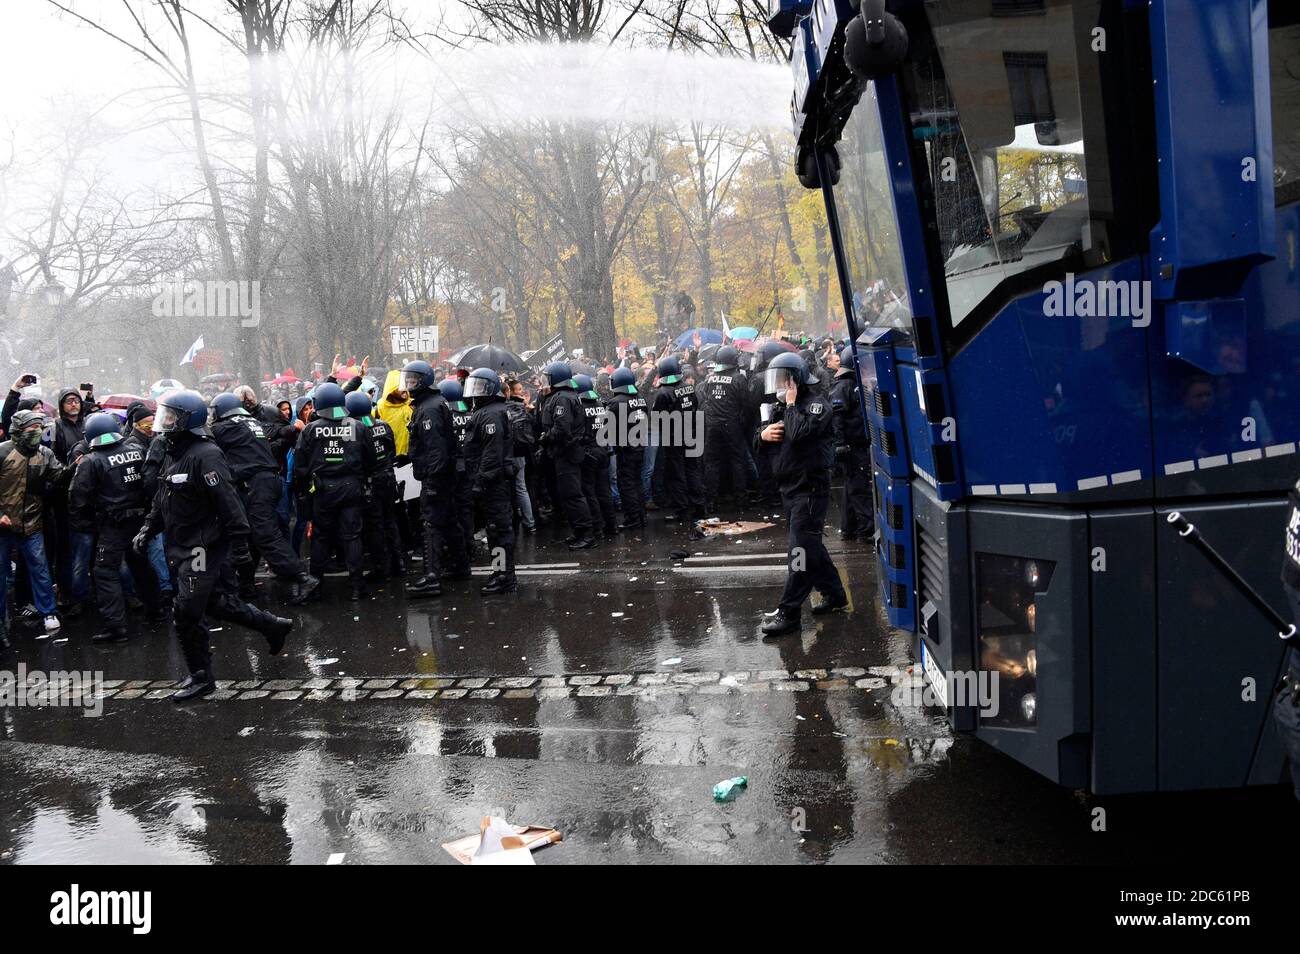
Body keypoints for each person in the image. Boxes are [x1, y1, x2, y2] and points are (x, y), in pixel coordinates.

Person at [134, 390, 292, 701]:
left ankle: (201, 677)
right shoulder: (172, 451)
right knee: (215, 602)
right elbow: (162, 497)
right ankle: (272, 626)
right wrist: (148, 528)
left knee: (186, 611)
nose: (164, 421)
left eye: (170, 415)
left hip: (202, 546)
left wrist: (241, 547)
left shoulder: (206, 454)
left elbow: (229, 502)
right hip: (182, 542)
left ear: (187, 419)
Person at [757, 352, 849, 636]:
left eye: (784, 379)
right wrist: (762, 434)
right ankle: (835, 595)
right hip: (790, 488)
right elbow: (763, 439)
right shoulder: (782, 405)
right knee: (810, 547)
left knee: (799, 551)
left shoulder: (816, 406)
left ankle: (790, 611)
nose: (779, 386)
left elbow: (798, 435)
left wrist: (793, 404)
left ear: (796, 379)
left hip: (810, 489)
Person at [209, 393, 319, 602]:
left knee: (265, 535)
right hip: (269, 480)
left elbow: (205, 438)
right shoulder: (250, 421)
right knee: (250, 534)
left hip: (257, 483)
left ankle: (303, 578)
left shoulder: (225, 427)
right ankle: (246, 585)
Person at [68, 412, 165, 643]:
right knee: (141, 564)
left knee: (104, 571)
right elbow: (150, 481)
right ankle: (156, 609)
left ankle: (115, 627)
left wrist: (88, 524)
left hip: (113, 524)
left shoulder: (91, 460)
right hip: (140, 519)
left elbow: (77, 498)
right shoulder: (137, 450)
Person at [291, 382, 375, 602]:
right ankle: (357, 586)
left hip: (323, 490)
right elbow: (370, 459)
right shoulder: (358, 426)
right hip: (351, 487)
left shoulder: (310, 429)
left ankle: (315, 586)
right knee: (352, 536)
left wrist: (304, 491)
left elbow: (300, 465)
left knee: (321, 537)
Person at [0, 409, 66, 648]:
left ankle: (48, 611)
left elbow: (58, 476)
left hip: (32, 523)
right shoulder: (3, 452)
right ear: (17, 431)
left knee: (40, 569)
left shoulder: (45, 453)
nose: (36, 433)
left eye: (39, 428)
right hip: (3, 527)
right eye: (31, 429)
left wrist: (75, 468)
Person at [403, 359, 463, 597]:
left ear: (424, 381)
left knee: (430, 523)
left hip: (436, 476)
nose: (409, 384)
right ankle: (460, 565)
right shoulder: (431, 404)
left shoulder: (428, 408)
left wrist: (433, 480)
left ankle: (431, 576)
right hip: (441, 475)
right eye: (407, 379)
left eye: (413, 380)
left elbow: (436, 448)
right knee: (448, 520)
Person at [463, 368, 517, 595]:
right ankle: (501, 573)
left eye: (480, 386)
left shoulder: (490, 414)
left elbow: (492, 454)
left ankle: (504, 576)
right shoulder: (489, 411)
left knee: (498, 530)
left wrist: (480, 481)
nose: (475, 391)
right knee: (495, 530)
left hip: (493, 483)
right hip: (493, 481)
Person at [344, 389, 405, 580]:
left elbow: (352, 460)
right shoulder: (384, 425)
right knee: (390, 522)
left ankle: (382, 569)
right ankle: (399, 564)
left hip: (370, 482)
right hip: (388, 478)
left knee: (375, 526)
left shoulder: (353, 430)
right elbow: (391, 451)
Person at [539, 362, 595, 550]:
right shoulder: (565, 396)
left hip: (566, 452)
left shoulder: (562, 398)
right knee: (568, 495)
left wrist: (546, 437)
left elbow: (562, 428)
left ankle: (586, 535)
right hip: (566, 452)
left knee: (573, 495)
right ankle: (579, 531)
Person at [652, 355, 706, 535]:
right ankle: (699, 507)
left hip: (673, 438)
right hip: (691, 434)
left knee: (676, 475)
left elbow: (656, 417)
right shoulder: (688, 388)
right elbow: (696, 405)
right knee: (692, 471)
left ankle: (682, 511)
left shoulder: (663, 393)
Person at [830, 346, 875, 539]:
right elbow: (837, 417)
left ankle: (849, 528)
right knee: (859, 488)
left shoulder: (853, 384)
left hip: (856, 444)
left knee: (851, 488)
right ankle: (866, 530)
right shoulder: (843, 386)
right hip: (851, 446)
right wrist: (840, 444)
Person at [700, 345, 748, 508]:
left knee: (711, 462)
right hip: (731, 424)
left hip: (712, 425)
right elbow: (745, 403)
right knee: (737, 460)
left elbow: (706, 401)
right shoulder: (738, 378)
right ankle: (741, 499)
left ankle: (710, 500)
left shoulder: (709, 379)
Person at [440, 378, 477, 566]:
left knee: (454, 510)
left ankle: (460, 549)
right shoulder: (470, 413)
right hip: (470, 467)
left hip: (454, 468)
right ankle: (470, 544)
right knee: (466, 509)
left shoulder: (447, 416)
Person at [606, 367, 647, 530]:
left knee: (626, 486)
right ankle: (641, 517)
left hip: (626, 450)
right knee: (638, 483)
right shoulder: (640, 398)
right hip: (639, 447)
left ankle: (633, 519)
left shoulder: (616, 402)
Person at [576, 374, 617, 539]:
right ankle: (612, 525)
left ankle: (597, 527)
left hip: (589, 453)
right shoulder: (600, 404)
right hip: (603, 451)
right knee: (604, 490)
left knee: (589, 492)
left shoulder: (580, 407)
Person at [504, 379, 537, 533]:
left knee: (511, 488)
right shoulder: (522, 408)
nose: (521, 392)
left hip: (509, 453)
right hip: (522, 453)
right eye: (518, 389)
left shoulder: (505, 408)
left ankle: (512, 521)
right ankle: (529, 522)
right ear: (509, 391)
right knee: (521, 487)